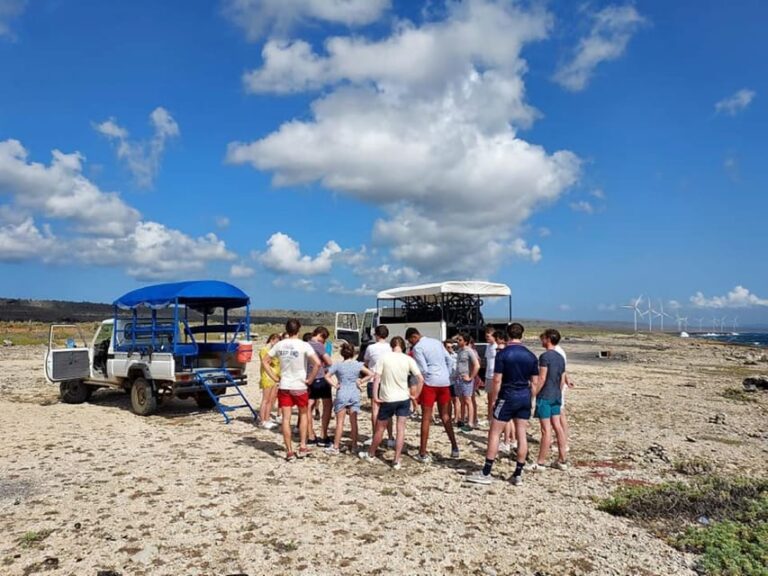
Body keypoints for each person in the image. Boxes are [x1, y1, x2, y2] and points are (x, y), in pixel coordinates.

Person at [466, 322, 538, 486]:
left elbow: (497, 379)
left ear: (507, 335)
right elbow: (535, 382)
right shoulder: (531, 355)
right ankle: (518, 473)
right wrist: (530, 398)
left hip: (508, 395)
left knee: (495, 432)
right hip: (524, 396)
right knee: (521, 434)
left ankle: (486, 472)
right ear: (522, 335)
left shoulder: (503, 354)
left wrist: (496, 399)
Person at [359, 336, 423, 469]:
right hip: (403, 398)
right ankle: (396, 459)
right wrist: (415, 396)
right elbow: (420, 378)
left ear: (391, 346)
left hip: (388, 397)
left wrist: (375, 396)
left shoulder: (385, 358)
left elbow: (376, 378)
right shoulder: (408, 359)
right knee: (401, 429)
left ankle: (371, 453)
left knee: (380, 428)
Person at [262, 319, 321, 461]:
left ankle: (289, 451)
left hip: (285, 385)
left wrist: (274, 377)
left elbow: (265, 361)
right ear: (299, 330)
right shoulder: (303, 345)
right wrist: (310, 379)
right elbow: (317, 363)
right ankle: (302, 446)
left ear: (286, 329)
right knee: (303, 415)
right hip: (299, 386)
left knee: (286, 419)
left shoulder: (280, 345)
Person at [406, 327, 460, 462]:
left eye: (410, 341)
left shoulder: (418, 348)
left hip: (430, 383)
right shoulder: (436, 342)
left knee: (426, 418)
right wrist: (446, 374)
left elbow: (423, 369)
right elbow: (449, 359)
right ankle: (454, 447)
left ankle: (422, 451)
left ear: (413, 337)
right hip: (444, 382)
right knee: (446, 416)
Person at [530, 329, 569, 470]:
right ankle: (562, 459)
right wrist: (558, 393)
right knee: (557, 427)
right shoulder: (560, 357)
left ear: (547, 339)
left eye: (543, 338)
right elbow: (562, 378)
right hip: (556, 395)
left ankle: (540, 462)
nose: (541, 341)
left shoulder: (545, 357)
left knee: (546, 430)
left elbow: (542, 378)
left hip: (545, 396)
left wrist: (533, 393)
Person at [324, 342, 371, 455]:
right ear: (353, 353)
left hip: (342, 392)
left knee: (340, 422)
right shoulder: (358, 364)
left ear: (342, 353)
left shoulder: (338, 365)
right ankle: (354, 445)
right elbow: (371, 374)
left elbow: (327, 376)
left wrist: (335, 385)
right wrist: (361, 381)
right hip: (354, 393)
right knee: (353, 422)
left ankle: (336, 446)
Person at [363, 325, 395, 448]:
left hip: (373, 379)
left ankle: (375, 434)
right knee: (388, 410)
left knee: (375, 409)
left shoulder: (371, 348)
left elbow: (366, 362)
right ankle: (391, 436)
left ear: (376, 334)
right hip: (387, 380)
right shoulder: (390, 348)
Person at [307, 326, 334, 446]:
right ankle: (324, 434)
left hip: (308, 378)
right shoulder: (318, 346)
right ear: (320, 335)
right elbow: (329, 362)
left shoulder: (305, 344)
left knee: (308, 407)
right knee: (327, 404)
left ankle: (310, 434)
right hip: (320, 377)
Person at [455, 332, 479, 432]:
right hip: (459, 379)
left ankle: (470, 422)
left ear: (465, 341)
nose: (458, 341)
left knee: (468, 400)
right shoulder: (460, 351)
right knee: (461, 401)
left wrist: (471, 377)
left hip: (466, 379)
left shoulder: (469, 351)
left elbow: (476, 365)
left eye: (460, 340)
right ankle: (462, 420)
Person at [258, 333, 281, 429]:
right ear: (272, 340)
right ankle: (262, 420)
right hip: (267, 377)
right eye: (276, 341)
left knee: (271, 399)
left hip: (275, 376)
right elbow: (266, 362)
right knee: (266, 399)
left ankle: (267, 418)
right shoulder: (265, 350)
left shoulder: (273, 351)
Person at [554, 341, 574, 454]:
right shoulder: (557, 351)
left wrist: (563, 383)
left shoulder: (558, 352)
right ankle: (561, 441)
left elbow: (561, 369)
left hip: (558, 386)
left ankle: (564, 443)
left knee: (561, 414)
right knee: (559, 414)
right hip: (558, 385)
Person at [444, 340, 460, 424]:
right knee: (447, 401)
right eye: (448, 347)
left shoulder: (456, 356)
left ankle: (457, 417)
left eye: (451, 347)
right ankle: (449, 417)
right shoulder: (442, 356)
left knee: (456, 399)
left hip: (454, 380)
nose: (450, 349)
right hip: (446, 381)